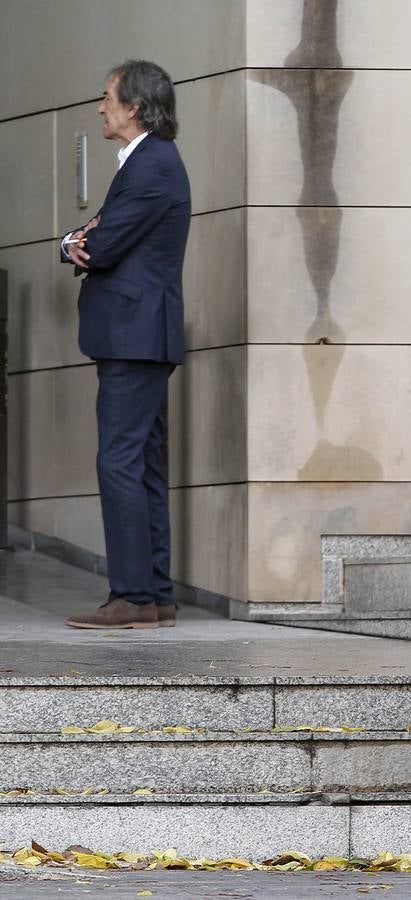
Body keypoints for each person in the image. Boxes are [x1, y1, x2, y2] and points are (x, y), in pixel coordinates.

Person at [60, 60, 190, 630]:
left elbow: (103, 244)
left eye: (107, 96)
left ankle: (133, 596)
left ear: (134, 105)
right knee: (141, 465)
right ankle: (152, 595)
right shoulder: (149, 162)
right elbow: (90, 239)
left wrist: (77, 242)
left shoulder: (152, 165)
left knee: (119, 462)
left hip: (134, 336)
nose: (99, 106)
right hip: (140, 335)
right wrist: (74, 240)